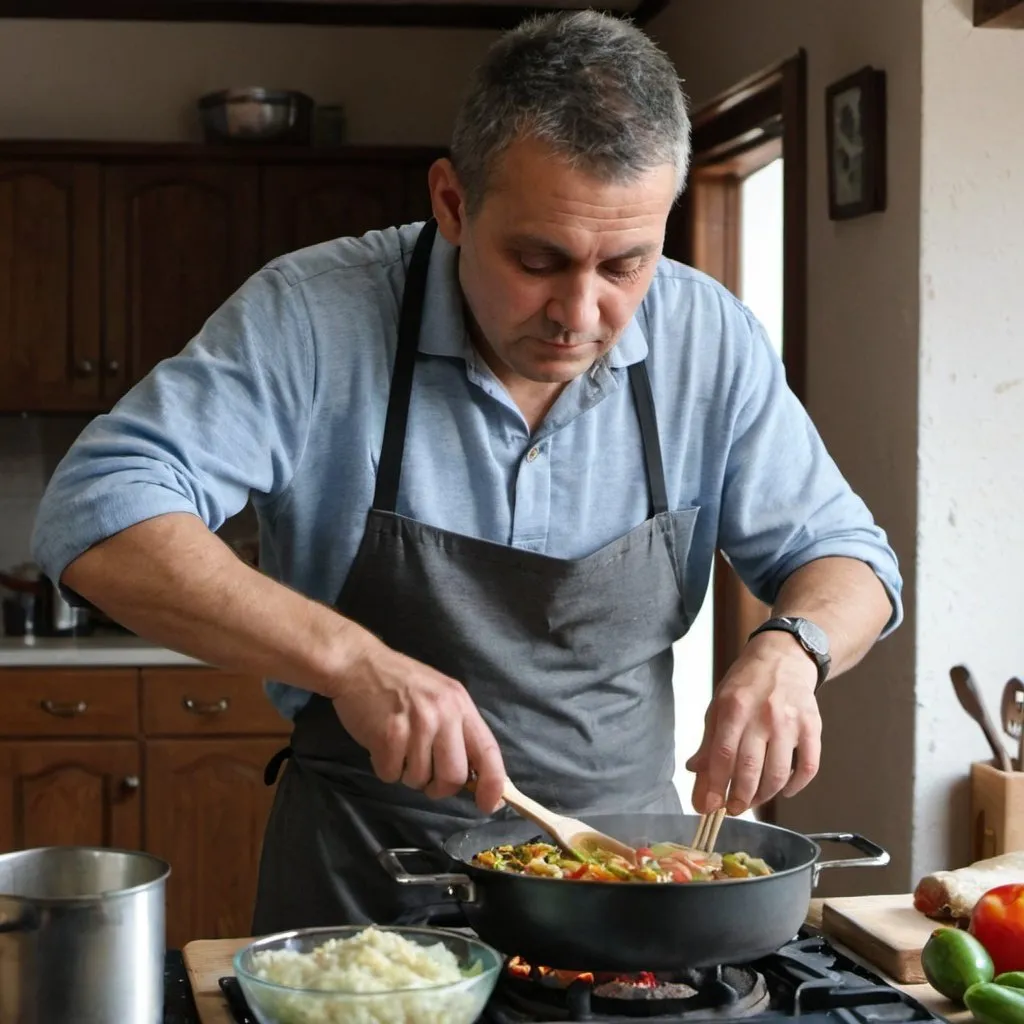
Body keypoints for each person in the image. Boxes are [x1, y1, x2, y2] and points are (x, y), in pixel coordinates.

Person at [31, 10, 902, 932]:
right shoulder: (313, 316)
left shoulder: (708, 338)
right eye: (539, 259)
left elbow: (849, 556)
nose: (582, 312)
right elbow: (97, 512)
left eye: (626, 263)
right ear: (452, 204)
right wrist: (353, 660)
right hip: (367, 895)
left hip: (625, 895)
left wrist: (790, 650)